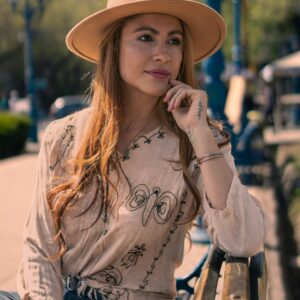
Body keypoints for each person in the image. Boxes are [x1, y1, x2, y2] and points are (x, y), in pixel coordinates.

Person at [0, 0, 267, 299]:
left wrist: (201, 136)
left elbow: (245, 239)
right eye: (145, 37)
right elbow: (39, 247)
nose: (162, 54)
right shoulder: (62, 136)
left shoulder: (196, 142)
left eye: (174, 41)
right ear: (114, 47)